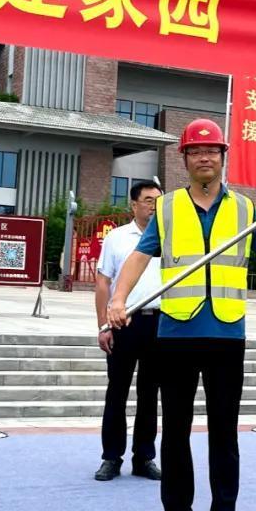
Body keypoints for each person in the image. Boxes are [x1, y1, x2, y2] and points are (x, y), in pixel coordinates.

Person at [108, 118, 256, 511]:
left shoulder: (244, 208)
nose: (204, 157)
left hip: (226, 333)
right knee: (175, 431)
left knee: (224, 433)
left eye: (212, 151)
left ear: (222, 157)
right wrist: (117, 300)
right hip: (176, 331)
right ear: (184, 160)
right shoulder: (167, 208)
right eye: (196, 151)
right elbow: (141, 256)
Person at [93, 179, 163, 482]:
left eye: (158, 200)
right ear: (133, 204)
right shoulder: (118, 238)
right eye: (147, 200)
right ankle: (111, 457)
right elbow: (102, 283)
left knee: (150, 394)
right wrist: (103, 326)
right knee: (117, 392)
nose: (153, 205)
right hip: (124, 324)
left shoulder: (170, 238)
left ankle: (144, 457)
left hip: (160, 323)